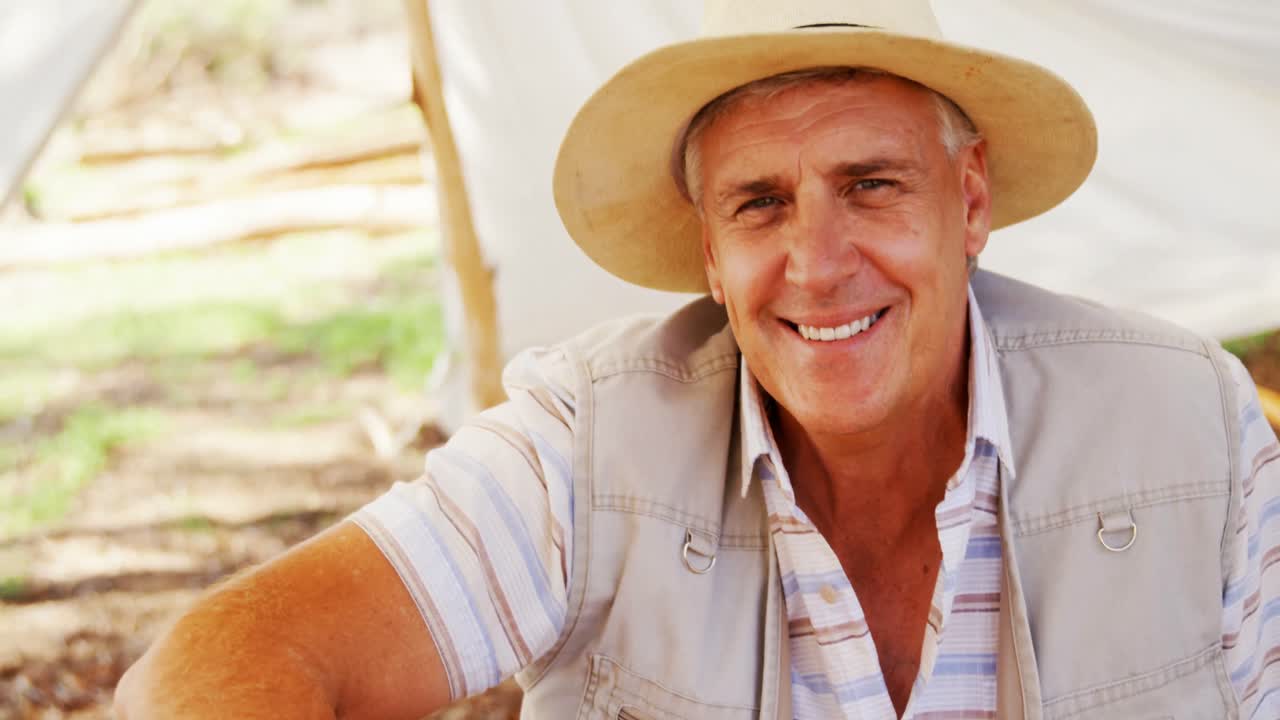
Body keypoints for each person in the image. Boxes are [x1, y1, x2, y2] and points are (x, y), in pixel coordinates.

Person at [114, 1, 1280, 718]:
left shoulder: (1189, 424)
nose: (816, 264)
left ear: (967, 201)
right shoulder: (585, 446)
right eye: (759, 204)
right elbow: (213, 663)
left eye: (871, 185)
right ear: (709, 257)